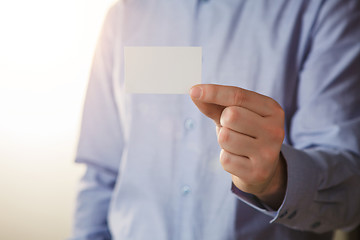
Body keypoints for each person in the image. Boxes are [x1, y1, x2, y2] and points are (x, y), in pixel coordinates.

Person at [70, 0, 360, 239]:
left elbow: (350, 192)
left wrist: (275, 181)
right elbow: (101, 174)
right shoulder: (125, 17)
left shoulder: (325, 9)